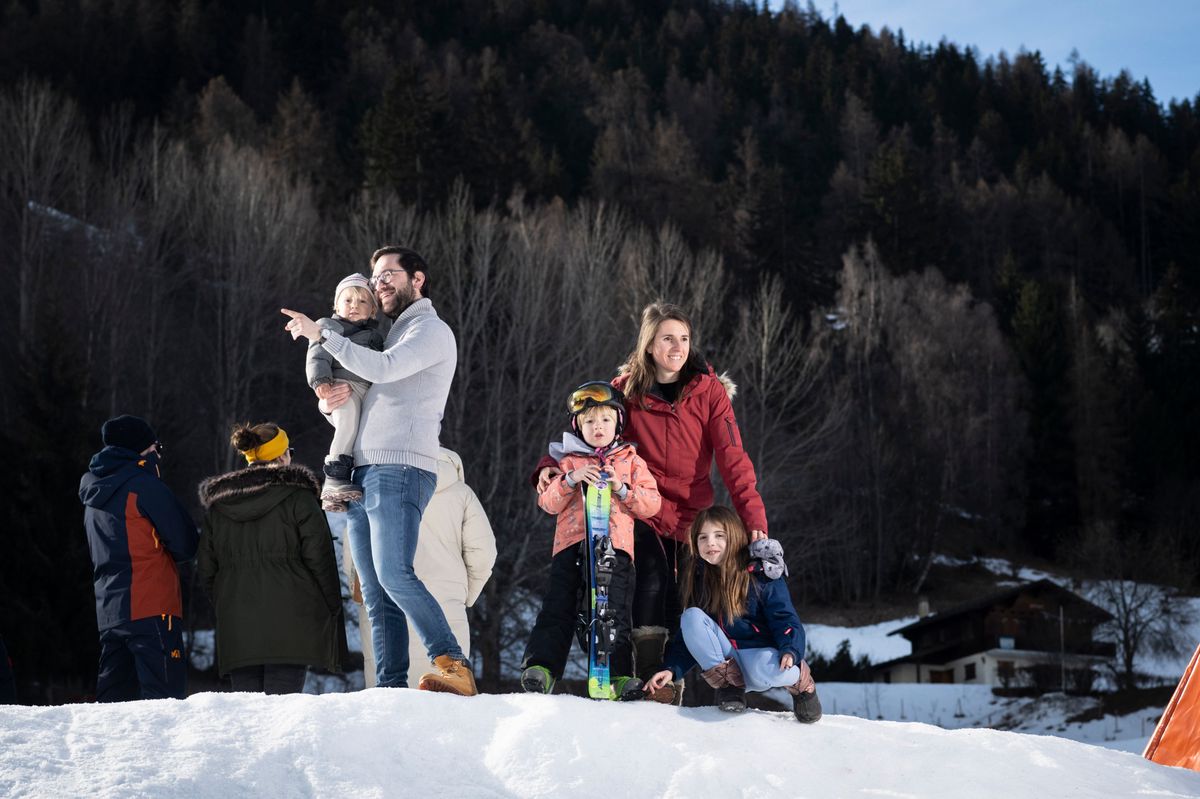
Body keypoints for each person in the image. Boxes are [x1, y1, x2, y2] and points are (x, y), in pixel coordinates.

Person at [536, 302, 768, 702]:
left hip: (690, 513)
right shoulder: (625, 390)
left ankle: (690, 680)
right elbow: (589, 430)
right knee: (650, 580)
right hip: (639, 504)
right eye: (667, 338)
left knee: (688, 597)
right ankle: (645, 673)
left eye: (684, 338)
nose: (677, 347)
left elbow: (734, 458)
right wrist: (545, 465)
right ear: (648, 345)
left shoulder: (708, 392)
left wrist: (753, 518)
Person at [281, 246, 476, 696]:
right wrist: (326, 398)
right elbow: (363, 395)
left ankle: (453, 663)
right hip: (361, 470)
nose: (379, 283)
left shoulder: (430, 330)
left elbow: (385, 371)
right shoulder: (388, 334)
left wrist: (321, 335)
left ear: (417, 280)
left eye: (389, 274)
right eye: (375, 276)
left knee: (393, 574)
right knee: (375, 592)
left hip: (400, 465)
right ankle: (389, 688)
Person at [521, 381, 661, 700]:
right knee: (559, 605)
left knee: (613, 612)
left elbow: (653, 503)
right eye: (589, 421)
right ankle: (541, 668)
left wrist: (623, 490)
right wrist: (569, 480)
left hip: (616, 551)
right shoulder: (567, 461)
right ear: (579, 426)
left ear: (618, 424)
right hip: (571, 547)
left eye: (605, 420)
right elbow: (548, 503)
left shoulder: (630, 460)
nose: (598, 427)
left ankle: (618, 675)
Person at [197, 422, 347, 694]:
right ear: (281, 457)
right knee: (281, 716)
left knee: (249, 718)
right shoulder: (299, 498)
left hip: (237, 626)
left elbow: (207, 571)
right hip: (291, 623)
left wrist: (227, 603)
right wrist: (331, 607)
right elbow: (321, 559)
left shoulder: (219, 508)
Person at [643, 506, 821, 723]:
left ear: (734, 537)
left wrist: (790, 650)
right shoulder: (699, 579)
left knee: (769, 667)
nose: (711, 543)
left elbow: (785, 618)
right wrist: (671, 669)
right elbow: (692, 636)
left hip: (763, 657)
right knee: (690, 617)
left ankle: (802, 683)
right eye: (703, 537)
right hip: (728, 664)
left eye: (719, 536)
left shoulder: (760, 574)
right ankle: (730, 687)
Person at [344, 448, 498, 687]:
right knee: (446, 706)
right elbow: (484, 553)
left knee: (389, 706)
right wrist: (466, 595)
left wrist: (360, 595)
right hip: (446, 608)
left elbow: (353, 560)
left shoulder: (369, 489)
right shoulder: (461, 494)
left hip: (384, 613)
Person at [79, 415, 199, 701]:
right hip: (152, 608)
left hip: (110, 613)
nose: (159, 454)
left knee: (115, 706)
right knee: (164, 702)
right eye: (156, 447)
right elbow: (185, 543)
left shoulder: (91, 497)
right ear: (143, 451)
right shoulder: (144, 486)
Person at [306, 273, 388, 512]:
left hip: (366, 391)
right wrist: (321, 380)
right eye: (348, 301)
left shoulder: (377, 337)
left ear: (373, 310)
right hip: (342, 387)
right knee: (347, 424)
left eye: (363, 302)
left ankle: (337, 495)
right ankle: (334, 476)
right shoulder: (330, 327)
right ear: (336, 305)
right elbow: (317, 355)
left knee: (357, 433)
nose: (354, 306)